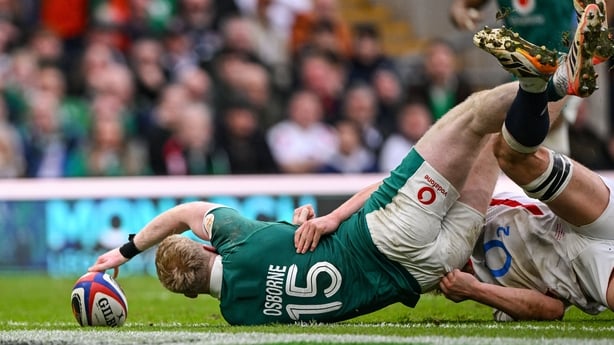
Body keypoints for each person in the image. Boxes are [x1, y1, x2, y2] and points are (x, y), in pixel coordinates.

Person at [88, 5, 606, 325]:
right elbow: (184, 211)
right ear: (209, 245)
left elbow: (278, 272)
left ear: (197, 297)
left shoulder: (240, 314)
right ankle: (553, 83)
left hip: (437, 267)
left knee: (495, 144)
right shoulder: (242, 239)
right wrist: (126, 249)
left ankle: (550, 84)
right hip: (395, 234)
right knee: (472, 117)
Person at [437, 5, 614, 321]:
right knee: (513, 146)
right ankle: (548, 81)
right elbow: (550, 309)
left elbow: (394, 190)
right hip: (589, 273)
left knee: (509, 152)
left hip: (578, 217)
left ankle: (553, 78)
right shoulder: (466, 274)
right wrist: (461, 12)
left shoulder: (455, 212)